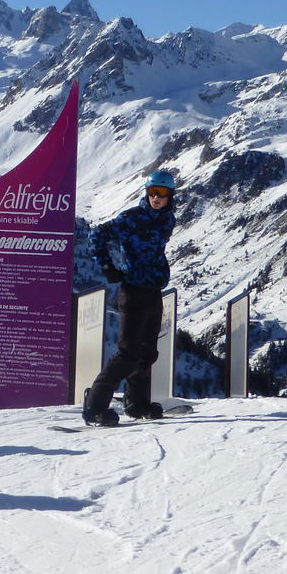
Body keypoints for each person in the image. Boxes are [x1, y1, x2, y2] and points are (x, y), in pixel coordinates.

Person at [81, 169, 178, 426]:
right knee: (127, 353)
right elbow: (97, 236)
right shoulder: (130, 218)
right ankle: (95, 405)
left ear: (170, 196)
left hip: (153, 289)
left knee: (147, 352)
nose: (156, 198)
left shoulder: (167, 220)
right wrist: (106, 266)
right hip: (132, 290)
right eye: (152, 193)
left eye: (162, 193)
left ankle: (137, 403)